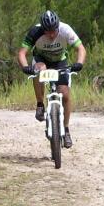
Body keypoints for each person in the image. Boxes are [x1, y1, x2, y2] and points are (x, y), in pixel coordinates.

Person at [17, 10, 86, 149]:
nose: (51, 34)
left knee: (65, 95)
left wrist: (79, 63)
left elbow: (81, 48)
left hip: (60, 61)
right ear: (42, 28)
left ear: (57, 26)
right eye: (47, 31)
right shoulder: (35, 32)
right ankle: (40, 104)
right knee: (39, 70)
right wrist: (25, 67)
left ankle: (66, 130)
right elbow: (22, 53)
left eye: (53, 30)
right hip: (41, 60)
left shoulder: (65, 29)